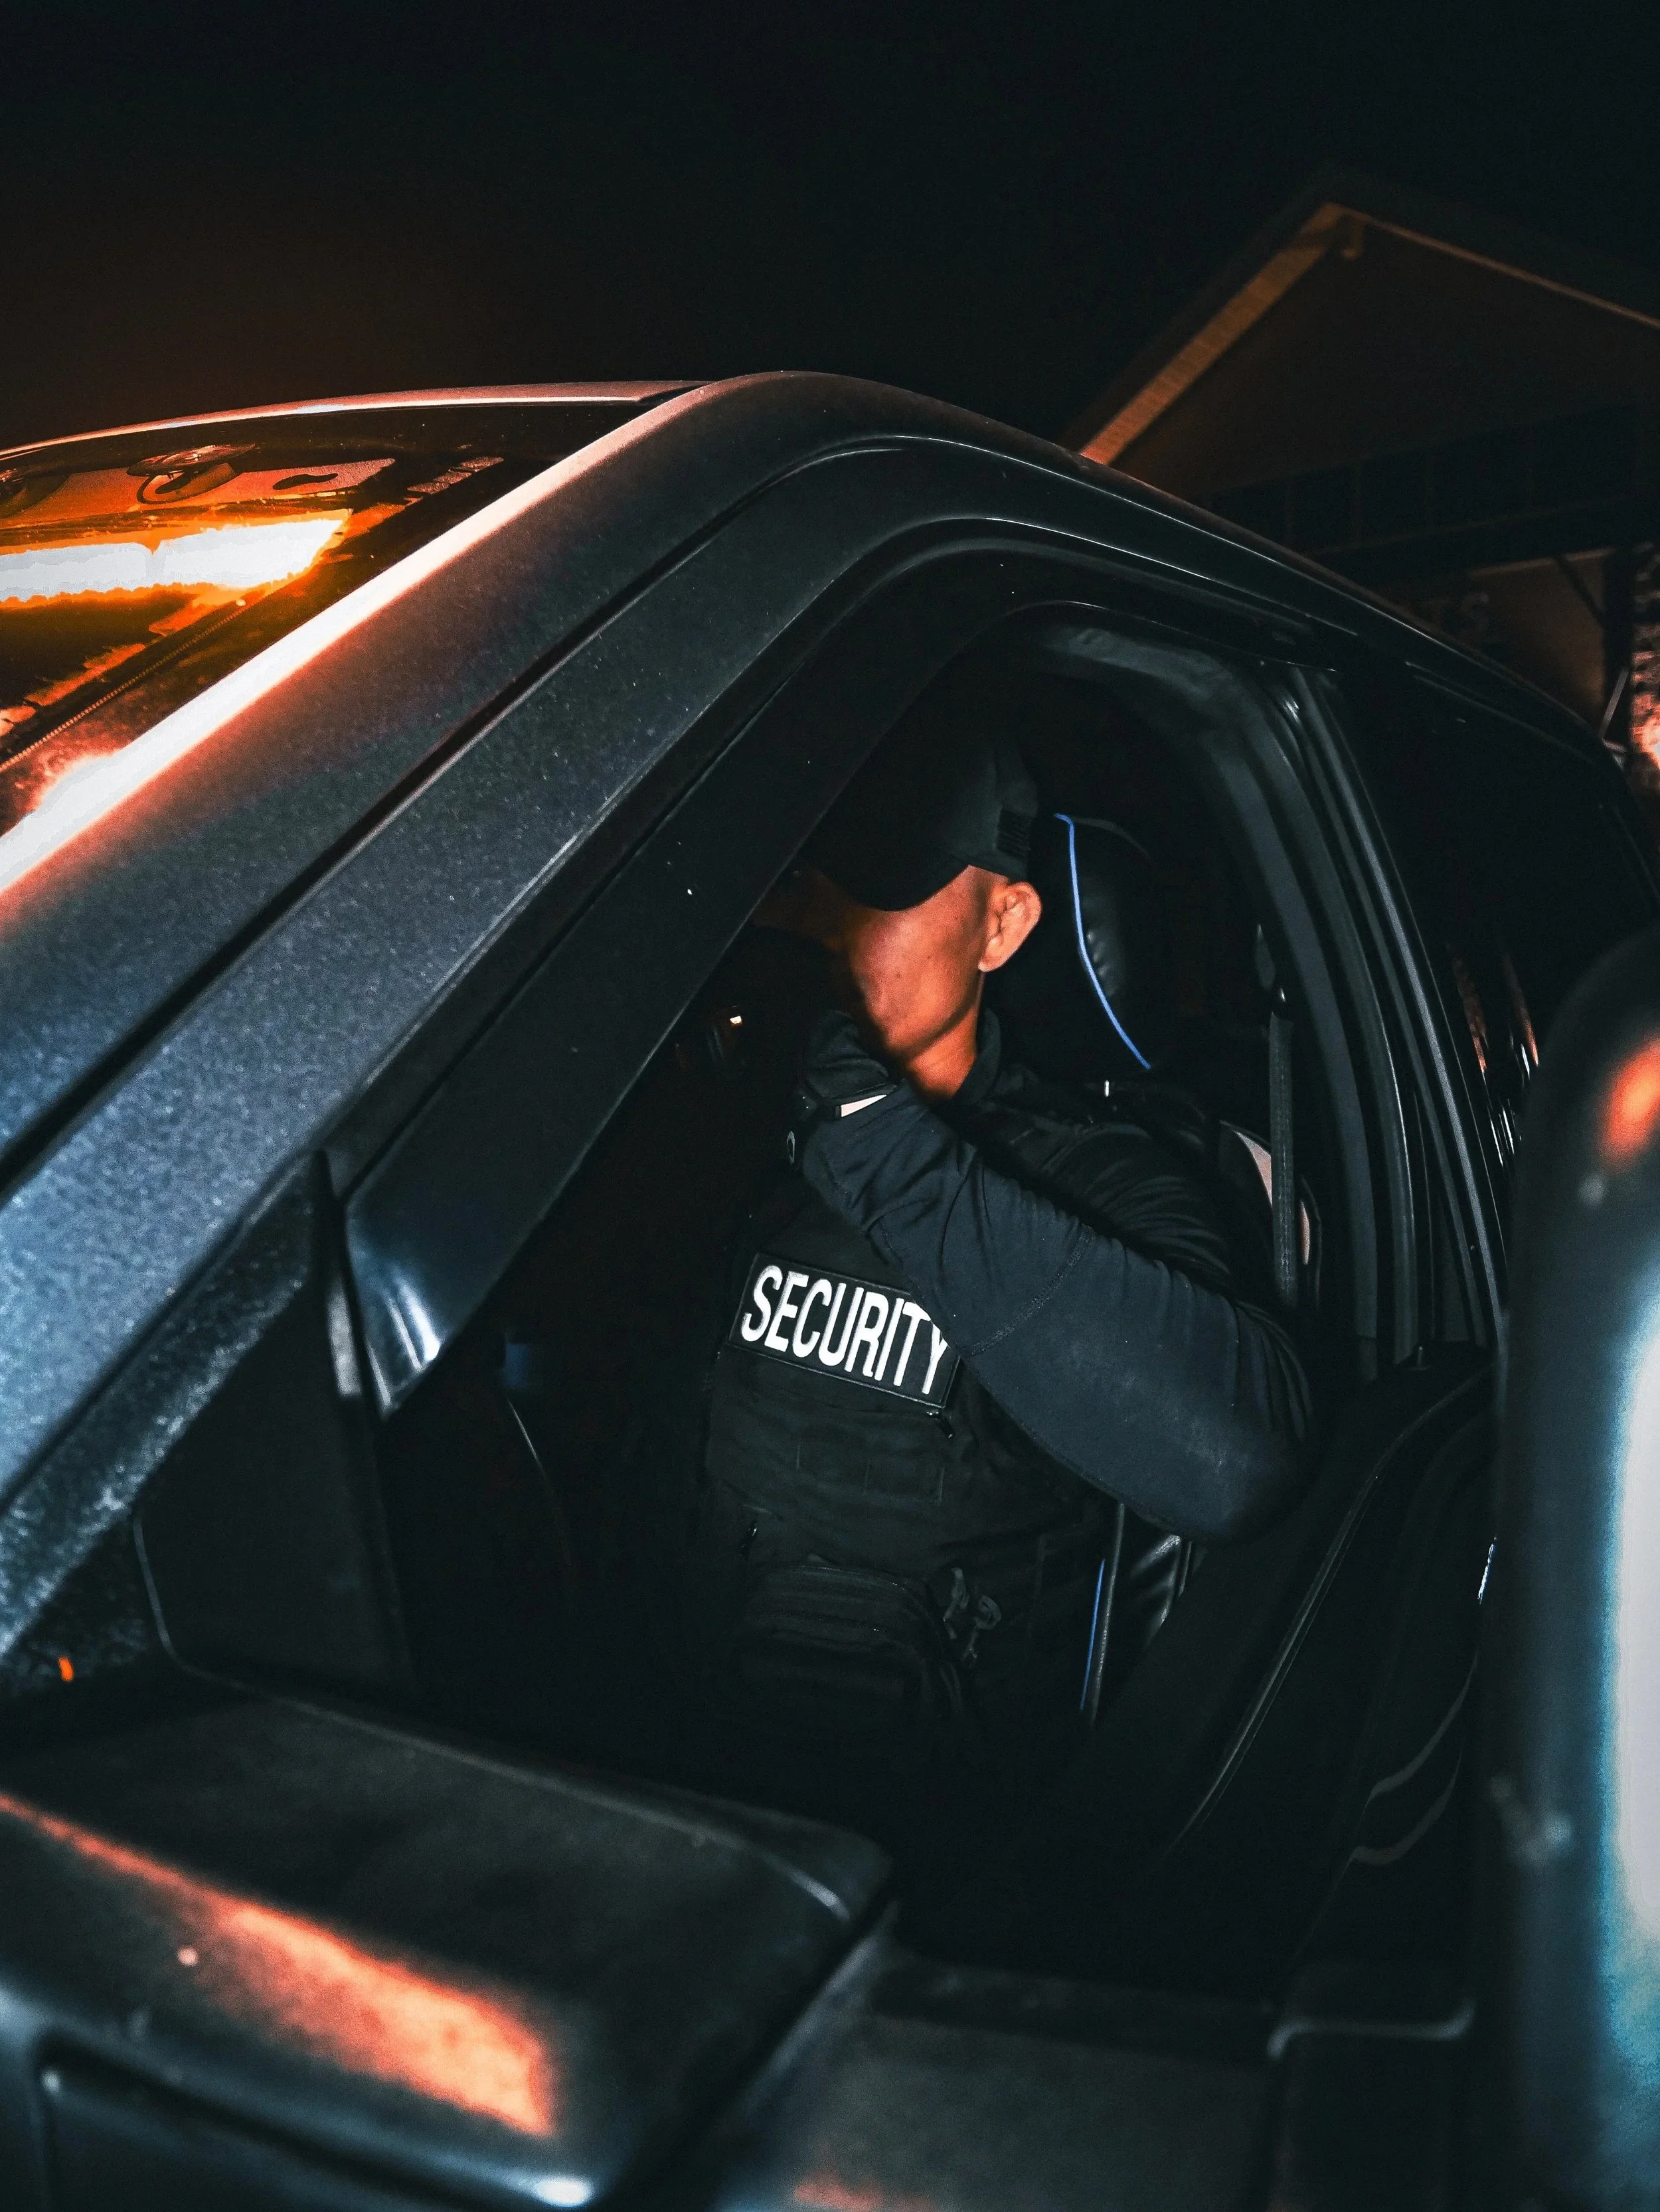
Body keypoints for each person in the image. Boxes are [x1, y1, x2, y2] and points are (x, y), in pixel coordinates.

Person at [651, 702, 1313, 1877]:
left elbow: (1236, 1458)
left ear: (1003, 924)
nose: (831, 926)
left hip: (925, 1862)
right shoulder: (725, 1129)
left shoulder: (1102, 1178)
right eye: (804, 883)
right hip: (666, 1796)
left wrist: (865, 1125)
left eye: (886, 886)